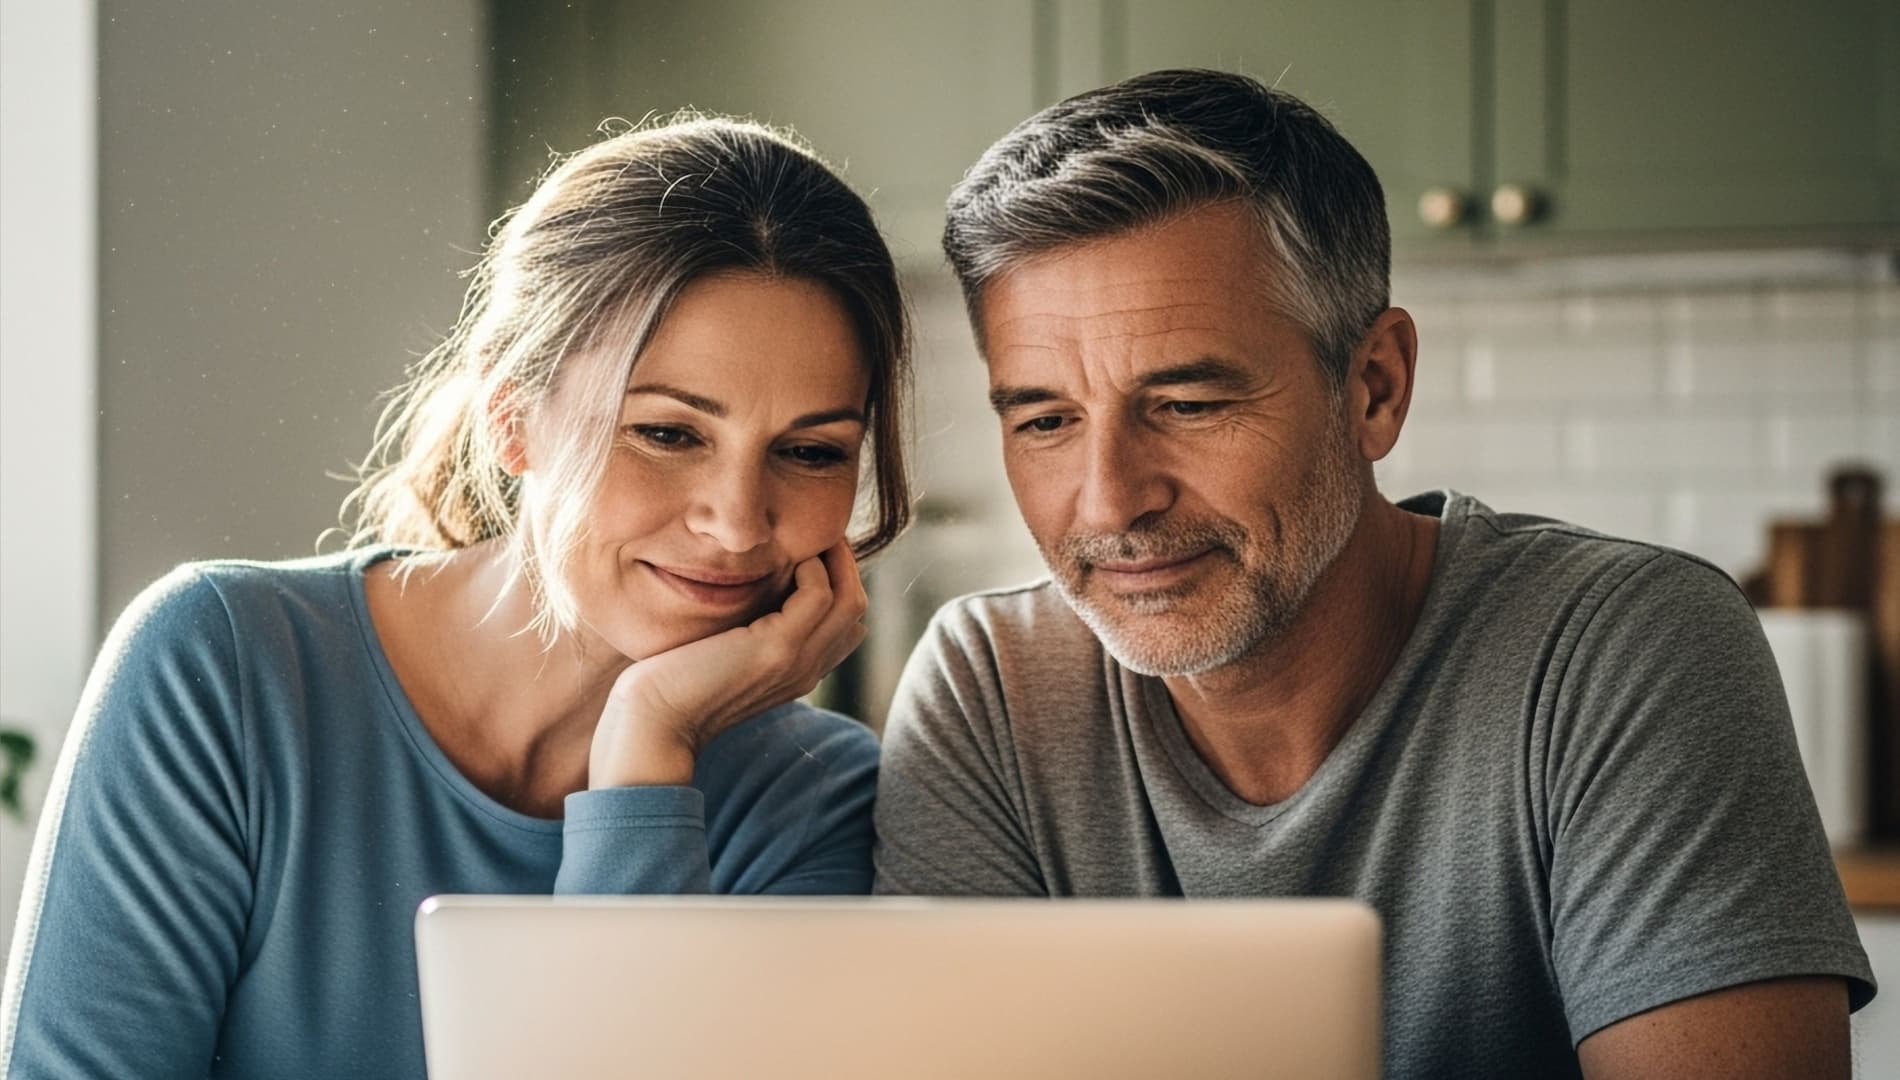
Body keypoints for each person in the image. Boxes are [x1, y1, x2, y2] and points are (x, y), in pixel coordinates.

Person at [873, 68, 1874, 1076]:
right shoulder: (990, 689)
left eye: (1188, 404)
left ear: (1373, 387)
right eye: (1045, 420)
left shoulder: (1622, 649)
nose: (1108, 502)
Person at [1, 114, 910, 1079]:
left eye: (809, 453)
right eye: (667, 433)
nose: (736, 522)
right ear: (514, 420)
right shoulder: (223, 665)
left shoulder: (814, 799)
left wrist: (649, 750)